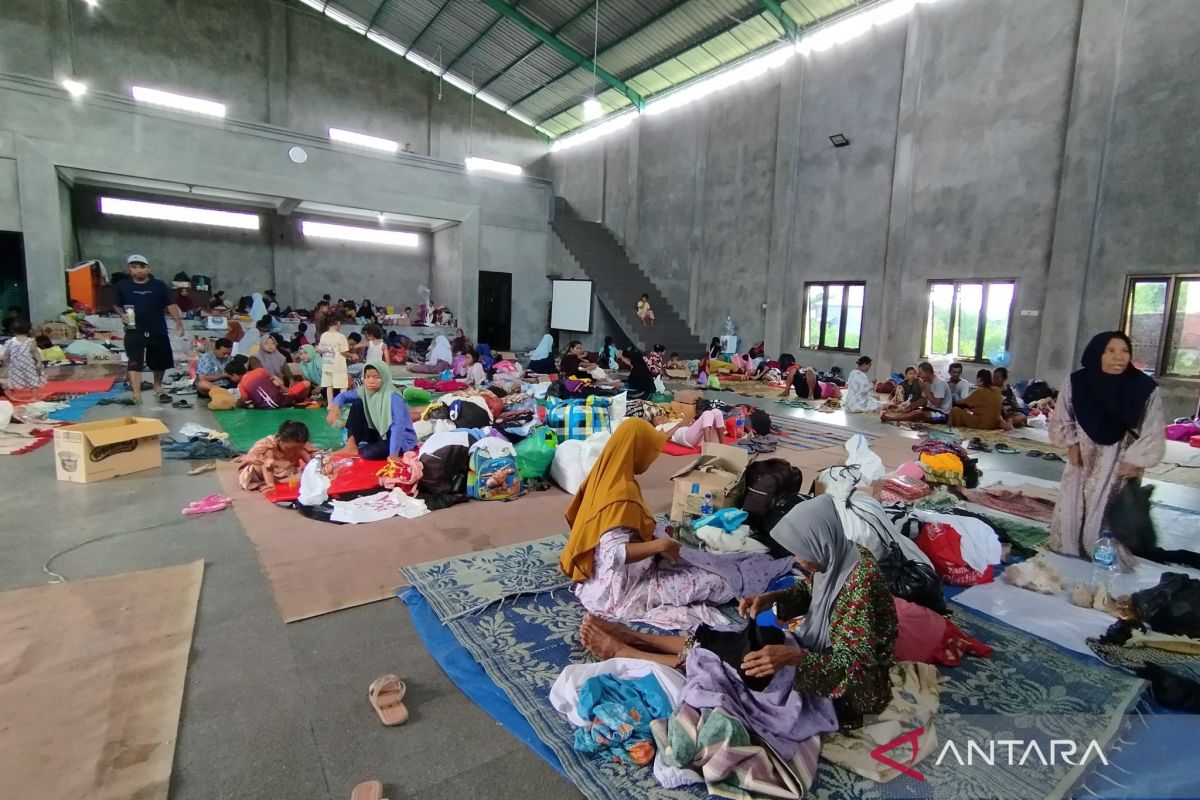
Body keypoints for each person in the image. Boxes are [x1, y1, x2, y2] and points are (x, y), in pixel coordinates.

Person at [579, 494, 898, 729]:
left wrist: (791, 659)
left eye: (802, 553)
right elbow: (807, 591)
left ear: (821, 543)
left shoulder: (860, 581)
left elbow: (856, 668)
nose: (798, 561)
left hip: (849, 692)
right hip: (817, 652)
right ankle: (634, 636)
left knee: (729, 673)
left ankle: (621, 650)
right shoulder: (835, 555)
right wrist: (769, 601)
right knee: (728, 640)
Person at [560, 419, 740, 631]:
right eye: (650, 451)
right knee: (719, 583)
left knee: (688, 561)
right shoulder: (620, 495)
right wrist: (660, 546)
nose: (653, 459)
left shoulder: (605, 476)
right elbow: (614, 554)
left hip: (600, 579)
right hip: (619, 590)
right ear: (637, 451)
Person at [1049, 332, 1165, 563]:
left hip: (1119, 460)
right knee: (1076, 502)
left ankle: (1103, 553)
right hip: (1083, 455)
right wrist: (1071, 443)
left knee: (1110, 511)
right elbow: (1062, 416)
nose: (1118, 357)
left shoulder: (1143, 387)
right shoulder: (1077, 382)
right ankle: (1071, 546)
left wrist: (1137, 461)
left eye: (1124, 351)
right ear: (1097, 353)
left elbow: (1153, 427)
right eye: (1110, 351)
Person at [114, 254, 184, 403]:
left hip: (157, 328)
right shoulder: (123, 285)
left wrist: (178, 322)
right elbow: (117, 304)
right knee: (134, 361)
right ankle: (137, 394)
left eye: (141, 267)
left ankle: (158, 387)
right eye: (134, 267)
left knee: (160, 361)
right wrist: (121, 314)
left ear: (148, 268)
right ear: (129, 269)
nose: (138, 270)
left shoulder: (158, 285)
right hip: (134, 329)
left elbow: (170, 304)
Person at [327, 361, 417, 461]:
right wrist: (335, 406)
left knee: (368, 453)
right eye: (367, 377)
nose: (370, 381)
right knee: (358, 403)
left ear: (385, 377)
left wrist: (393, 454)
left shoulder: (393, 397)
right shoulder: (364, 391)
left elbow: (398, 426)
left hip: (400, 439)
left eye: (376, 377)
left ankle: (369, 448)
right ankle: (351, 445)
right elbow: (344, 396)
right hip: (378, 432)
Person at [237, 420, 316, 492]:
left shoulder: (301, 445)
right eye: (289, 448)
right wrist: (277, 463)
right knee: (268, 454)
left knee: (302, 452)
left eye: (296, 447)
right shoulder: (267, 442)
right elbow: (249, 457)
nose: (292, 451)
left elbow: (315, 456)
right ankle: (270, 485)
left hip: (283, 474)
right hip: (258, 474)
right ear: (281, 440)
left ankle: (317, 475)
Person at [880, 361, 953, 424]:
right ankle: (894, 416)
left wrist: (925, 389)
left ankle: (891, 419)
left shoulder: (940, 383)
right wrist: (911, 406)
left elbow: (937, 403)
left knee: (919, 414)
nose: (919, 376)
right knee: (912, 410)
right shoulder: (927, 382)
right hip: (931, 409)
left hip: (942, 414)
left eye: (921, 373)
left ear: (927, 372)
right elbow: (923, 400)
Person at [238, 358, 309, 409]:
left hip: (263, 408)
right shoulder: (261, 371)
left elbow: (250, 405)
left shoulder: (241, 385)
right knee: (306, 383)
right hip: (280, 401)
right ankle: (301, 400)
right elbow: (278, 384)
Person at [0, 319, 45, 399]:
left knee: (14, 380)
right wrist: (39, 361)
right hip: (25, 365)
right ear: (29, 330)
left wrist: (3, 360)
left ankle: (11, 395)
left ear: (12, 330)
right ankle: (33, 397)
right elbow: (35, 353)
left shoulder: (27, 341)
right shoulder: (29, 341)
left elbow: (6, 354)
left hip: (18, 365)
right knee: (32, 381)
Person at [317, 318, 351, 405]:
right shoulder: (341, 336)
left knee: (329, 385)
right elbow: (343, 352)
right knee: (343, 385)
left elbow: (320, 350)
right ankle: (341, 404)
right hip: (338, 365)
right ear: (337, 323)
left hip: (327, 364)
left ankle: (330, 404)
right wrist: (351, 356)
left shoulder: (323, 335)